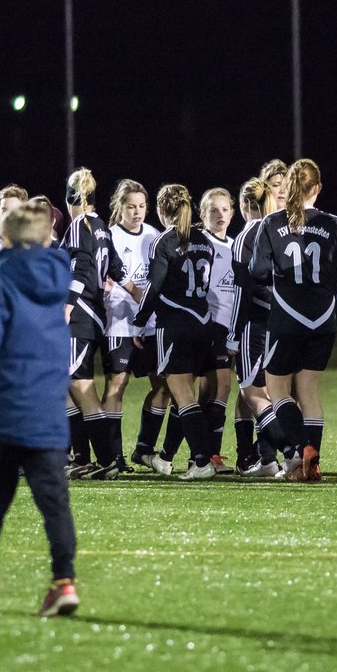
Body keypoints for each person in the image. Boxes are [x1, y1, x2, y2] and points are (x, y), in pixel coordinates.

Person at [0, 199, 79, 617]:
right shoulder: (57, 280)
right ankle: (64, 582)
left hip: (2, 413)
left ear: (5, 237)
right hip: (46, 414)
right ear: (44, 237)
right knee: (55, 503)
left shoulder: (0, 282)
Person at [250, 158, 337, 482]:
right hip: (322, 318)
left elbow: (258, 271)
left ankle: (303, 447)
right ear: (317, 188)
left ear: (289, 187)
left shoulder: (271, 223)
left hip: (286, 316)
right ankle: (312, 464)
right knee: (309, 391)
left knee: (277, 389)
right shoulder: (333, 223)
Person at [130, 185, 217, 480]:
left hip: (175, 325)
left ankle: (202, 461)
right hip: (202, 323)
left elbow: (154, 287)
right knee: (184, 394)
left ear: (160, 209)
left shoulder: (164, 241)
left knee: (183, 396)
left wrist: (139, 322)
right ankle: (181, 456)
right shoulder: (205, 240)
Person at [60, 168, 134, 481]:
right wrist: (136, 291)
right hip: (94, 316)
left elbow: (81, 268)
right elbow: (115, 267)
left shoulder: (79, 224)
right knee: (70, 386)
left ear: (71, 198)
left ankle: (107, 459)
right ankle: (84, 457)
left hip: (80, 316)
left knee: (81, 386)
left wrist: (66, 305)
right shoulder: (102, 226)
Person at [229, 177, 288, 477]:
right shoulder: (280, 231)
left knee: (251, 392)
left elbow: (243, 293)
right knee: (273, 392)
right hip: (283, 321)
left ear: (243, 205)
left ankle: (293, 452)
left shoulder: (246, 237)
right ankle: (268, 460)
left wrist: (232, 334)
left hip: (256, 323)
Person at [102, 180, 158, 474]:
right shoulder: (110, 236)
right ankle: (112, 455)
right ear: (119, 207)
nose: (137, 212)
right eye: (131, 207)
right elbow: (104, 279)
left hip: (150, 325)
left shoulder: (153, 235)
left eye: (142, 206)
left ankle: (144, 449)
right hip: (120, 324)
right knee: (117, 384)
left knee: (163, 386)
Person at [197, 187, 239, 473]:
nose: (220, 215)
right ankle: (207, 455)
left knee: (209, 391)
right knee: (218, 387)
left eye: (225, 210)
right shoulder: (201, 243)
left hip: (230, 326)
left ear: (233, 213)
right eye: (214, 210)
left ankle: (202, 454)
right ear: (203, 214)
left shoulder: (236, 245)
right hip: (208, 325)